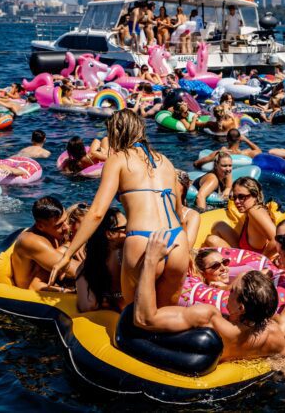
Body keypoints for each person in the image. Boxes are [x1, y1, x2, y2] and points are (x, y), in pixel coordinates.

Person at [49, 110, 189, 307]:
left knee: (134, 313)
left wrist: (68, 254)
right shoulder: (164, 161)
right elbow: (180, 214)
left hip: (144, 239)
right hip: (177, 241)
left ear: (116, 132)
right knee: (166, 314)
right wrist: (188, 253)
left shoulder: (118, 160)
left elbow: (97, 212)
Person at [133, 229, 285, 361]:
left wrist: (150, 261)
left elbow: (144, 320)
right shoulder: (272, 334)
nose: (227, 293)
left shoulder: (208, 317)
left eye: (232, 290)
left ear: (241, 307)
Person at [11, 196, 79, 292]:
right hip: (30, 298)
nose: (66, 227)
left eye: (66, 220)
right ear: (40, 226)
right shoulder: (32, 241)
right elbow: (75, 270)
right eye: (59, 225)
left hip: (47, 283)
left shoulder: (53, 232)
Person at [205, 177, 277, 256]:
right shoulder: (253, 210)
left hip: (251, 261)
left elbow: (278, 239)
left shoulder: (255, 211)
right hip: (247, 252)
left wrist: (262, 260)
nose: (236, 201)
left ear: (255, 195)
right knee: (219, 225)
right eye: (234, 197)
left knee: (212, 240)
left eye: (241, 197)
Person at [76, 208, 127, 312]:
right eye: (125, 227)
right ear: (109, 234)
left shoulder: (86, 266)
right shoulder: (124, 255)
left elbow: (87, 306)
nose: (131, 229)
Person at [194, 129, 261, 168]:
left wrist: (220, 151)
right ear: (240, 140)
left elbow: (196, 163)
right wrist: (246, 140)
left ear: (227, 139)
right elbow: (259, 151)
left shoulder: (221, 153)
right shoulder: (247, 153)